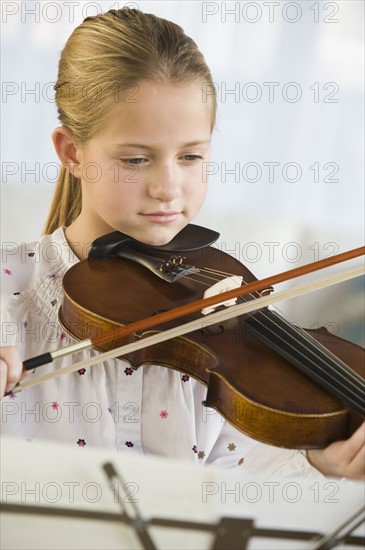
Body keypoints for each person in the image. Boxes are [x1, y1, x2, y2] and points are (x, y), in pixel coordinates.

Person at [0, 7, 363, 479]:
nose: (167, 187)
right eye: (135, 159)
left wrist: (321, 463)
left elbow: (242, 476)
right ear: (72, 153)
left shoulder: (219, 315)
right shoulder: (10, 293)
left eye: (191, 155)